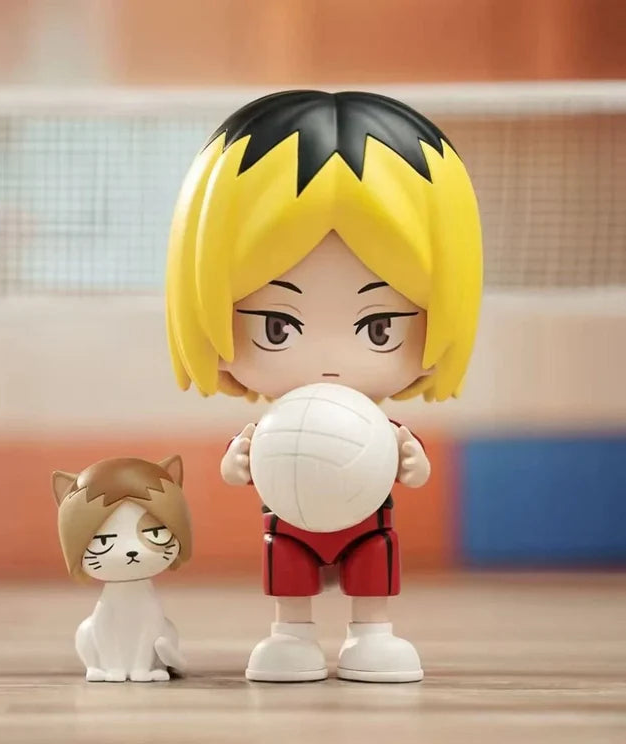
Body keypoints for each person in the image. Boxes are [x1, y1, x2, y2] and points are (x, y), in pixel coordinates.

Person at [166, 91, 482, 682]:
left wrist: (411, 461)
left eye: (381, 326)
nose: (330, 360)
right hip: (289, 523)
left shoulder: (381, 429)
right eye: (277, 326)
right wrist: (240, 461)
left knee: (373, 565)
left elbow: (412, 468)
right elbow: (238, 469)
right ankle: (292, 635)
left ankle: (371, 635)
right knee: (287, 567)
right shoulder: (270, 429)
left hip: (367, 522)